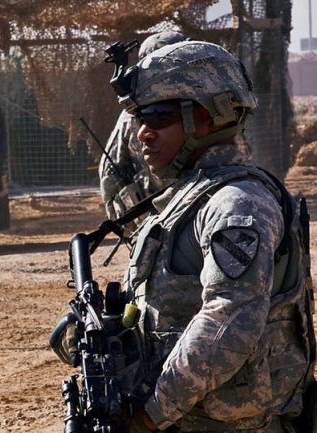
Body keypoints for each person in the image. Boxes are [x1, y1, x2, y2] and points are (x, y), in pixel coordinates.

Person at [60, 41, 315, 432]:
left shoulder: (237, 204)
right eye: (139, 118)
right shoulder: (185, 198)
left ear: (211, 117)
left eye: (159, 116)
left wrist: (147, 417)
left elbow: (229, 322)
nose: (143, 133)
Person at [98, 31, 187, 235]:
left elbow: (109, 174)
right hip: (155, 219)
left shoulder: (131, 113)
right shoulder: (131, 115)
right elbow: (110, 173)